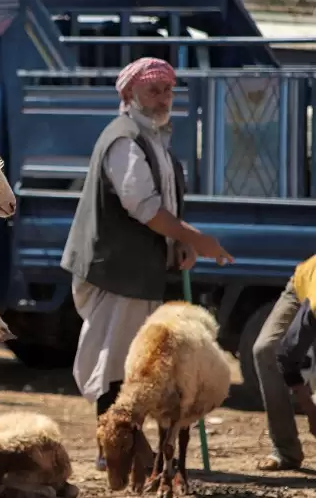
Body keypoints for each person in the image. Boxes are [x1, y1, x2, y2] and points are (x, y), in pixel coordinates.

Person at [59, 57, 234, 471]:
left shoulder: (152, 135)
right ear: (128, 94)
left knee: (133, 361)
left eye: (168, 90)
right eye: (153, 90)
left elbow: (162, 207)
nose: (162, 98)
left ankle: (125, 448)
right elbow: (144, 207)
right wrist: (197, 239)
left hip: (138, 271)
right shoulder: (124, 138)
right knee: (114, 361)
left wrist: (179, 244)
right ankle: (113, 451)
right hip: (116, 270)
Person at [253, 254, 316, 471]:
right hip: (302, 286)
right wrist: (310, 408)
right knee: (266, 350)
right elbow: (287, 355)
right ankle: (285, 450)